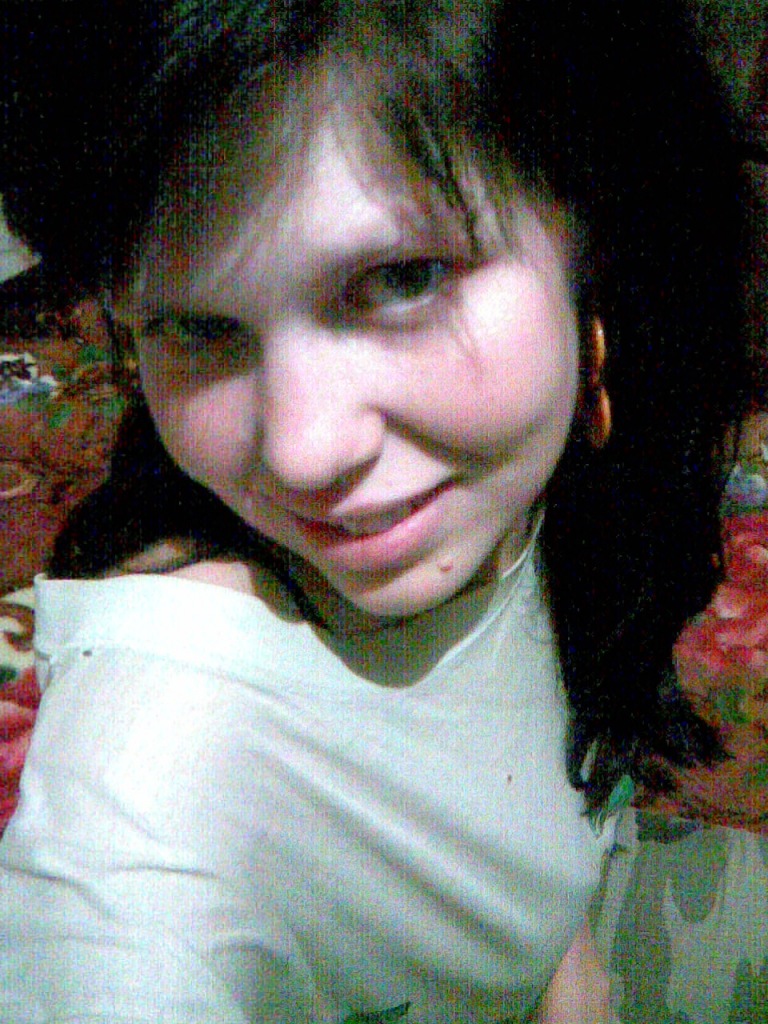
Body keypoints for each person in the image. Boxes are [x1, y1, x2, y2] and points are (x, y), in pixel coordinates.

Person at [0, 1, 747, 1021]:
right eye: (195, 328)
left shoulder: (573, 461)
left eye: (401, 279)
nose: (301, 454)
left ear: (592, 233)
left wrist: (550, 955)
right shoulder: (151, 782)